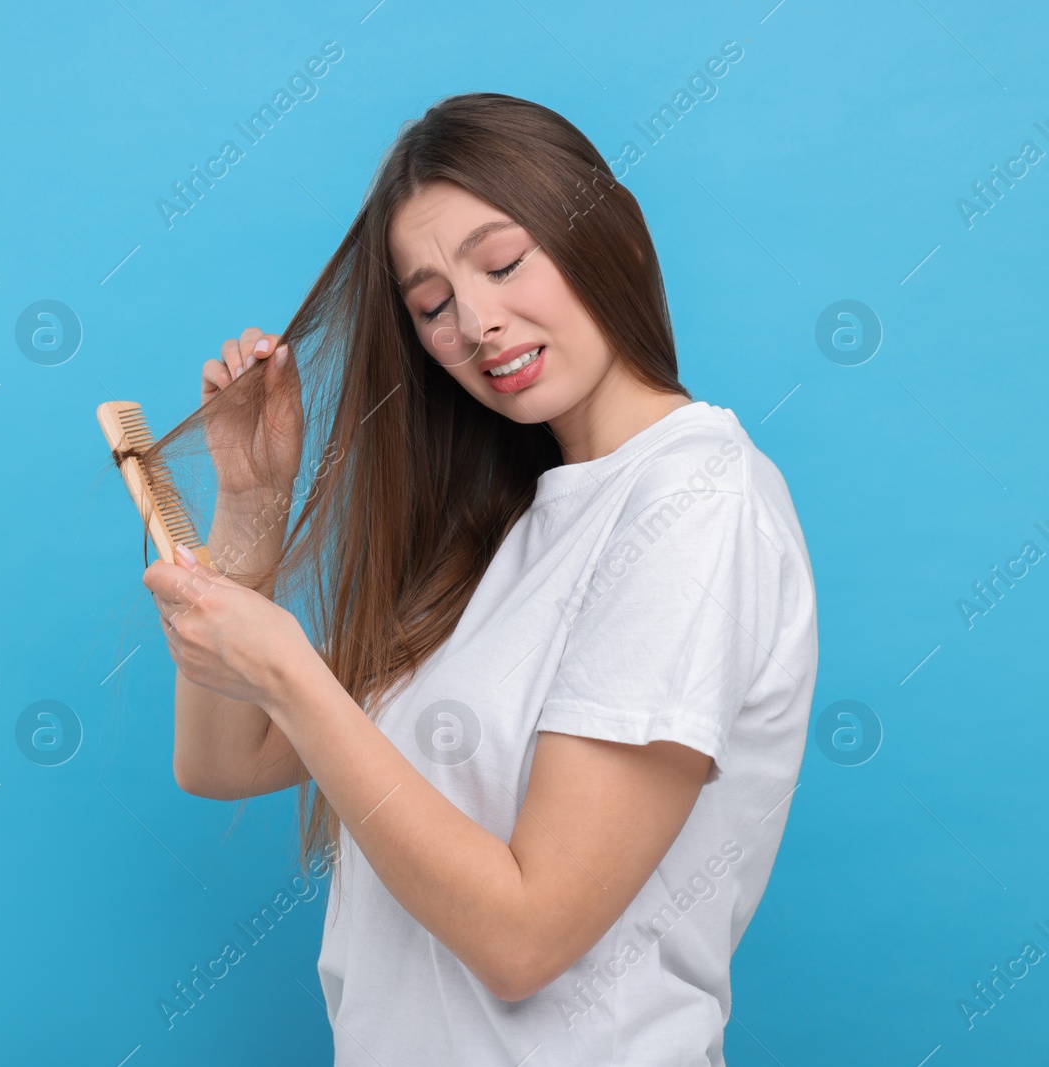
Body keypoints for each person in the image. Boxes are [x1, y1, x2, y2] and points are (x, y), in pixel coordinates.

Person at [140, 92, 818, 1065]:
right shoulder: (505, 530)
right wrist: (251, 504)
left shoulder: (695, 498)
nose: (479, 321)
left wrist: (289, 667)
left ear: (613, 241)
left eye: (503, 264)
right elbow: (223, 759)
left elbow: (523, 935)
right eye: (432, 305)